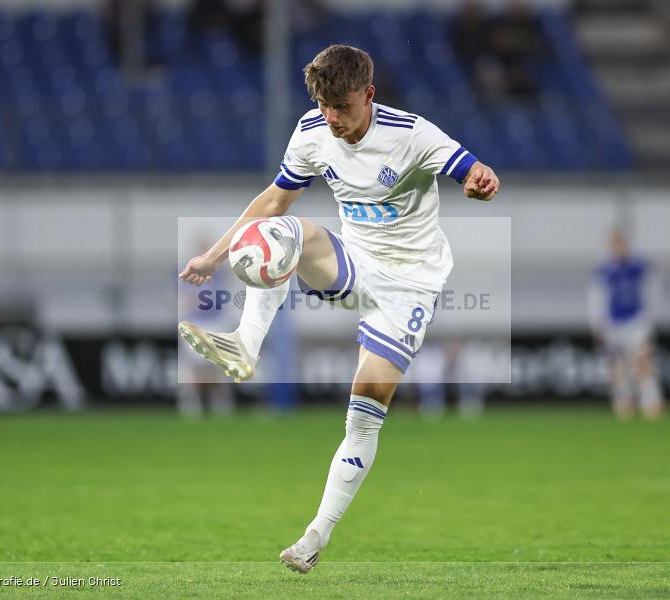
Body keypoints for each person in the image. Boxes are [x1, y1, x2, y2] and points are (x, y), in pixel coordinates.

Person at [178, 44, 499, 573]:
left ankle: (314, 536)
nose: (333, 119)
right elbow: (274, 198)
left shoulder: (412, 134)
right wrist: (214, 255)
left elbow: (473, 169)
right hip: (353, 261)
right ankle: (244, 343)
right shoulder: (311, 132)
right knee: (279, 232)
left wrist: (480, 182)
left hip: (410, 286)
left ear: (368, 95)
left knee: (363, 417)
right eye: (324, 106)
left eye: (343, 107)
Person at [588, 229, 664, 420]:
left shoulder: (639, 267)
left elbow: (651, 294)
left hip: (636, 320)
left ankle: (650, 402)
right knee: (617, 364)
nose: (618, 247)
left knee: (642, 360)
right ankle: (623, 404)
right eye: (614, 244)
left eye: (620, 243)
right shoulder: (604, 271)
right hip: (614, 323)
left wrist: (650, 320)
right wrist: (598, 325)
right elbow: (596, 299)